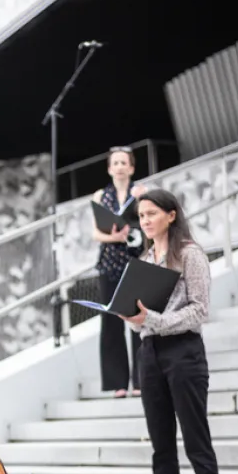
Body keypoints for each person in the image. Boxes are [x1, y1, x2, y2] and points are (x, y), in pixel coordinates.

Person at [121, 189, 222, 474]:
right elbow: (141, 320)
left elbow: (199, 310)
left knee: (196, 441)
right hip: (149, 352)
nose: (145, 220)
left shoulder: (190, 254)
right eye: (141, 215)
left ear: (171, 215)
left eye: (151, 213)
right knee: (160, 444)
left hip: (184, 352)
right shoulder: (146, 258)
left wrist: (154, 320)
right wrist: (135, 319)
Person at [91, 147, 148, 397]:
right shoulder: (100, 195)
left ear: (132, 168)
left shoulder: (142, 192)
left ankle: (140, 380)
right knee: (111, 322)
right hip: (109, 263)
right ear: (109, 168)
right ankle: (118, 383)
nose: (120, 166)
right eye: (116, 162)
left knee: (137, 318)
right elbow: (95, 233)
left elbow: (149, 224)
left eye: (124, 162)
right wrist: (114, 236)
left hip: (135, 261)